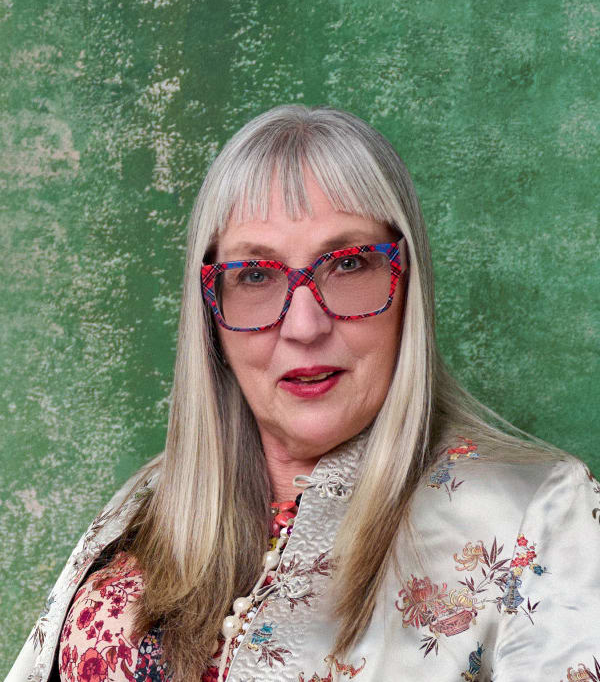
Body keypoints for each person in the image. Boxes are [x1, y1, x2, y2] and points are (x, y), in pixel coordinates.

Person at [7, 105, 600, 682]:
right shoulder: (142, 506)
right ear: (209, 311)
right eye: (254, 275)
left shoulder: (538, 514)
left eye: (349, 264)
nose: (304, 325)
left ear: (408, 283)